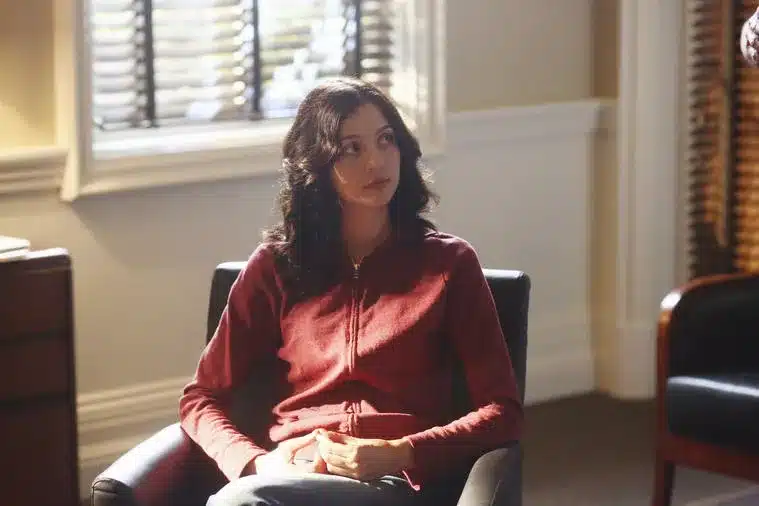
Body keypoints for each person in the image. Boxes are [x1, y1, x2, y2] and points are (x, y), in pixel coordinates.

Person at [179, 77, 524, 506]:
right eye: (351, 149)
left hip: (393, 482)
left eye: (386, 140)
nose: (376, 161)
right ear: (317, 165)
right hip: (290, 475)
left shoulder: (449, 265)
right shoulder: (275, 268)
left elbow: (502, 412)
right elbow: (200, 398)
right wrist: (256, 464)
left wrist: (401, 452)